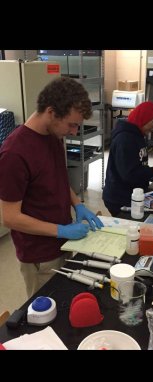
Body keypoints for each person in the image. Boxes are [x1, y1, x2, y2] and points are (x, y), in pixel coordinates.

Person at [0, 76, 103, 298]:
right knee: (47, 316)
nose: (74, 131)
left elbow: (56, 179)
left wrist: (77, 204)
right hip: (39, 254)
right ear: (50, 112)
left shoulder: (53, 135)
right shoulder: (14, 153)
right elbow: (9, 217)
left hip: (62, 244)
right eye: (72, 124)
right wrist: (60, 230)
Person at [103, 101, 153, 216]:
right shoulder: (125, 139)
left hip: (134, 192)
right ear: (144, 118)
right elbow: (129, 173)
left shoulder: (138, 134)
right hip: (119, 197)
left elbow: (138, 164)